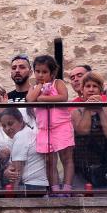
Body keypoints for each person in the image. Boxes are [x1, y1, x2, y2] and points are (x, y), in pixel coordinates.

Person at [26, 54, 74, 193]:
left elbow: (63, 97)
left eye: (44, 72)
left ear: (52, 73)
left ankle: (67, 188)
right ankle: (55, 189)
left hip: (61, 126)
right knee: (49, 161)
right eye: (37, 71)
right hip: (44, 129)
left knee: (66, 158)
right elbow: (30, 99)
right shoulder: (34, 87)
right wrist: (39, 87)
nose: (40, 75)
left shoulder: (57, 83)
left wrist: (42, 98)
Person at [72, 71, 107, 189]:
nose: (91, 90)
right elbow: (82, 131)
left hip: (104, 167)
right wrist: (88, 108)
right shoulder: (76, 111)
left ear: (101, 90)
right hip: (81, 168)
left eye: (95, 86)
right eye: (88, 86)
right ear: (82, 90)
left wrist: (100, 110)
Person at [0, 106, 48, 193]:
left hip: (30, 187)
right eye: (4, 126)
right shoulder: (27, 132)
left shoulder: (21, 136)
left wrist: (13, 195)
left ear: (21, 120)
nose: (7, 129)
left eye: (10, 123)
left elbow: (16, 173)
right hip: (38, 185)